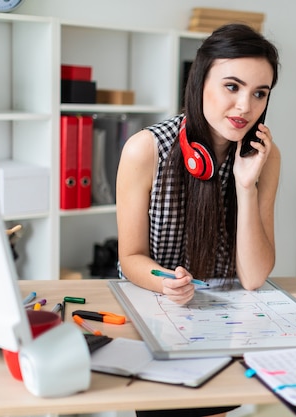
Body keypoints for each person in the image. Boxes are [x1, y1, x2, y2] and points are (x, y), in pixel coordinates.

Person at [115, 23, 280, 417]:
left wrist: (245, 185)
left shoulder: (265, 157)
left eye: (260, 93)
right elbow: (131, 257)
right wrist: (167, 281)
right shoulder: (145, 149)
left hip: (221, 323)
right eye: (232, 86)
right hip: (156, 310)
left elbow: (255, 276)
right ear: (200, 79)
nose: (245, 107)